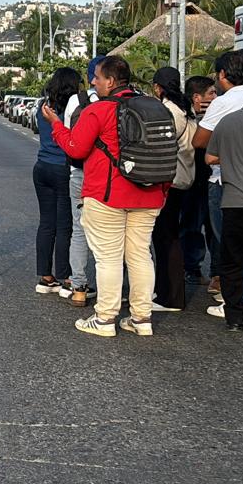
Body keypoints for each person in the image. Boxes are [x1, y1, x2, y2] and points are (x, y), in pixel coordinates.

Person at [44, 56, 167, 338]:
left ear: (111, 81)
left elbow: (75, 149)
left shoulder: (99, 110)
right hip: (150, 193)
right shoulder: (154, 106)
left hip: (107, 194)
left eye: (97, 77)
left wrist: (56, 125)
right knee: (140, 257)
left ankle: (105, 318)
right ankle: (141, 318)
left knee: (108, 259)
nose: (93, 82)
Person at [196, 49, 243, 317]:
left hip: (228, 183)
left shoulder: (224, 104)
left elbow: (201, 143)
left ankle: (237, 304)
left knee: (232, 249)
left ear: (223, 74)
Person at [150, 67, 197, 311]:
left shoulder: (167, 111)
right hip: (185, 176)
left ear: (158, 87)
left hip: (170, 180)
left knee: (165, 238)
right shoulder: (186, 108)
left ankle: (169, 296)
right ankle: (166, 292)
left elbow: (160, 144)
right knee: (169, 235)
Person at [60, 56, 104, 306]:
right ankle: (113, 287)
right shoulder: (127, 99)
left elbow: (69, 140)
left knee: (80, 229)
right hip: (111, 174)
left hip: (80, 172)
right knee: (113, 231)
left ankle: (78, 286)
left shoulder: (77, 101)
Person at [32, 68, 79, 294]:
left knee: (46, 223)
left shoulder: (43, 105)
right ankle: (65, 276)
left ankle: (45, 275)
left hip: (41, 166)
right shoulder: (71, 109)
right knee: (64, 226)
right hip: (63, 167)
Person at [180, 75, 217, 284]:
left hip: (210, 179)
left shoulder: (217, 114)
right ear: (196, 97)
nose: (215, 98)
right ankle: (191, 268)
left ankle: (216, 272)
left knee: (213, 228)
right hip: (194, 180)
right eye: (211, 93)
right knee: (192, 226)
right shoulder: (188, 118)